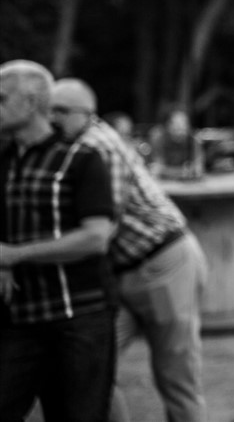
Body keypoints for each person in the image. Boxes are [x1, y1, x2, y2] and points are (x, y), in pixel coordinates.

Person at [50, 79, 208, 422]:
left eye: (62, 111)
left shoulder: (99, 147)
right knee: (93, 369)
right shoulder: (70, 147)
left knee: (176, 377)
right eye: (50, 111)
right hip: (123, 272)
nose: (53, 118)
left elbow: (103, 229)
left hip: (163, 263)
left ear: (87, 114)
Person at [0, 60, 117, 421]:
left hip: (78, 317)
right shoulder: (4, 161)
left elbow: (96, 238)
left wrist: (14, 255)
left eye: (2, 98)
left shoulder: (81, 159)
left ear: (32, 102)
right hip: (20, 320)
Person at [149, 107, 204, 180]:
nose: (182, 129)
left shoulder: (193, 139)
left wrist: (167, 171)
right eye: (177, 125)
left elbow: (198, 171)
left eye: (185, 125)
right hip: (164, 186)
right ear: (167, 126)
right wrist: (184, 171)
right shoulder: (158, 138)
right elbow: (156, 169)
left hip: (188, 187)